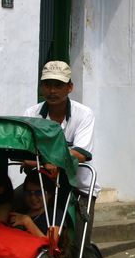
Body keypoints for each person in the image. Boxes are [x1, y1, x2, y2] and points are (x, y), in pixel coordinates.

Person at [25, 61, 99, 197]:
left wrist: (47, 160)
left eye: (58, 85)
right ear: (41, 87)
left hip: (78, 188)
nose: (52, 91)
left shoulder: (84, 114)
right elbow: (26, 153)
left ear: (70, 87)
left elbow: (80, 154)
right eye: (47, 85)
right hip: (40, 187)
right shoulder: (31, 114)